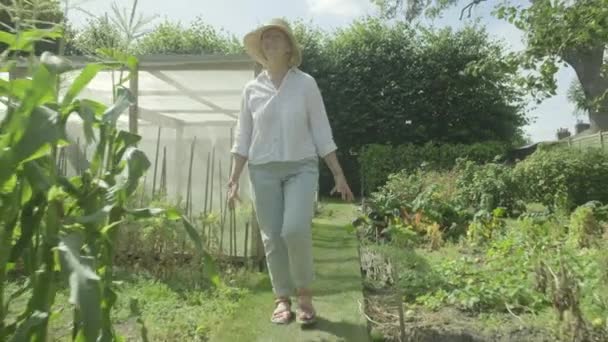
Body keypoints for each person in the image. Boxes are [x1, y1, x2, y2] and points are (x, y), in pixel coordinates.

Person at [227, 18, 354, 326]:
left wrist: (337, 172)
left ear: (288, 47)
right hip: (263, 170)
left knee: (294, 230)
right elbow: (243, 136)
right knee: (272, 237)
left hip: (301, 167)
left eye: (275, 38)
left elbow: (321, 129)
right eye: (264, 39)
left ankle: (305, 294)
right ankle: (282, 300)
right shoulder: (251, 89)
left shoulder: (305, 84)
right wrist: (233, 179)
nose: (268, 42)